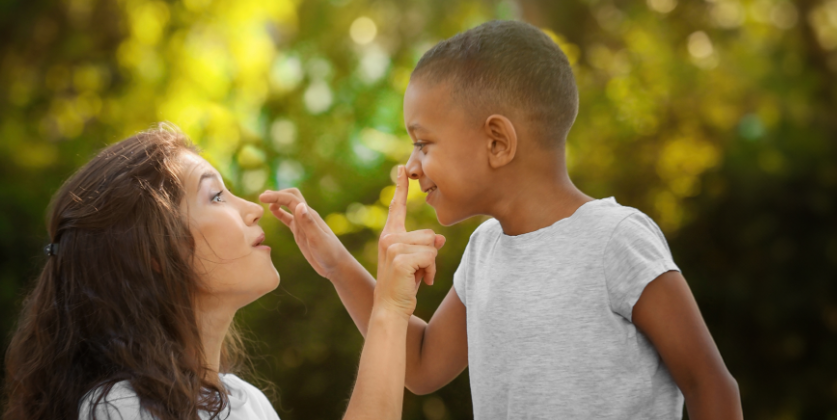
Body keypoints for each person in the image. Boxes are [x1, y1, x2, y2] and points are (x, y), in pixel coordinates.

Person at [261, 20, 743, 419]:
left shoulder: (615, 239)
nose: (409, 166)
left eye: (424, 143)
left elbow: (711, 387)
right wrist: (336, 264)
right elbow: (422, 365)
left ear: (497, 142)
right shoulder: (485, 250)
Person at [2, 125, 431, 420]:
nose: (251, 209)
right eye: (217, 196)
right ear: (154, 250)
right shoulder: (121, 409)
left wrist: (348, 274)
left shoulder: (246, 403)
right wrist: (388, 308)